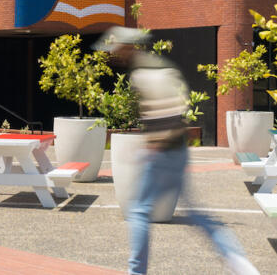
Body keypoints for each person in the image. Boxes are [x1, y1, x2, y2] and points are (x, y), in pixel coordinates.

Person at [94, 27, 258, 275]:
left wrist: (154, 146)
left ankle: (136, 272)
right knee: (195, 213)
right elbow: (177, 107)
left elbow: (168, 113)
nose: (113, 54)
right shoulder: (159, 66)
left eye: (116, 49)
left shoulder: (145, 74)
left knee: (138, 211)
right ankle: (238, 260)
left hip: (163, 153)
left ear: (127, 47)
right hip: (177, 150)